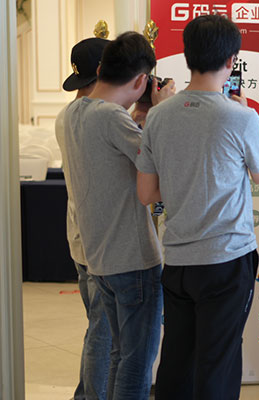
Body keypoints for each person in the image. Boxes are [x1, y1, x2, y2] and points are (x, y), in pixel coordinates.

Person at [136, 15, 259, 400]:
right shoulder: (241, 116)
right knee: (218, 364)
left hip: (178, 259)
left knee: (177, 361)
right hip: (227, 258)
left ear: (187, 56)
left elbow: (146, 193)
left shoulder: (158, 115)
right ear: (231, 60)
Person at [63, 31, 175, 400]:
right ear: (142, 80)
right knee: (136, 362)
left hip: (99, 259)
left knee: (117, 353)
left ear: (100, 70)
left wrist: (140, 116)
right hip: (133, 259)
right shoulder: (113, 118)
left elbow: (116, 155)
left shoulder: (73, 113)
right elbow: (161, 166)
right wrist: (161, 111)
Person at [56, 37, 112, 400]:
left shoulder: (67, 115)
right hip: (100, 243)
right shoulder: (100, 116)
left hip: (79, 237)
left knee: (97, 327)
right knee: (102, 332)